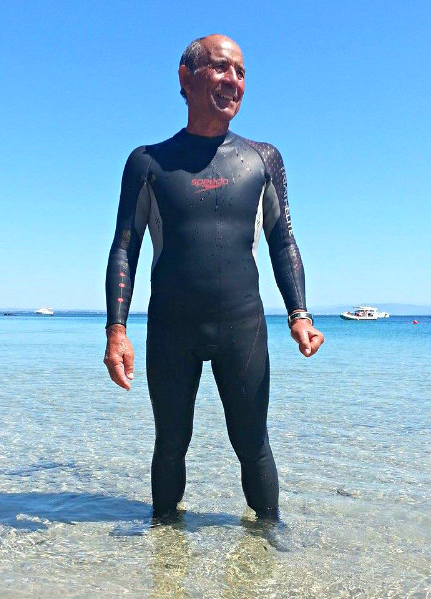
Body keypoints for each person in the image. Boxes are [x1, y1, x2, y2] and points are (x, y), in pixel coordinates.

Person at [104, 34, 324, 520]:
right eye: (222, 68)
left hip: (242, 326)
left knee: (253, 443)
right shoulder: (147, 162)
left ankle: (269, 546)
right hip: (171, 327)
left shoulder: (263, 159)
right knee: (170, 442)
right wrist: (116, 329)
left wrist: (299, 314)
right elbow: (125, 247)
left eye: (241, 72)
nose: (234, 81)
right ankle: (165, 551)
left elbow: (283, 241)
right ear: (186, 77)